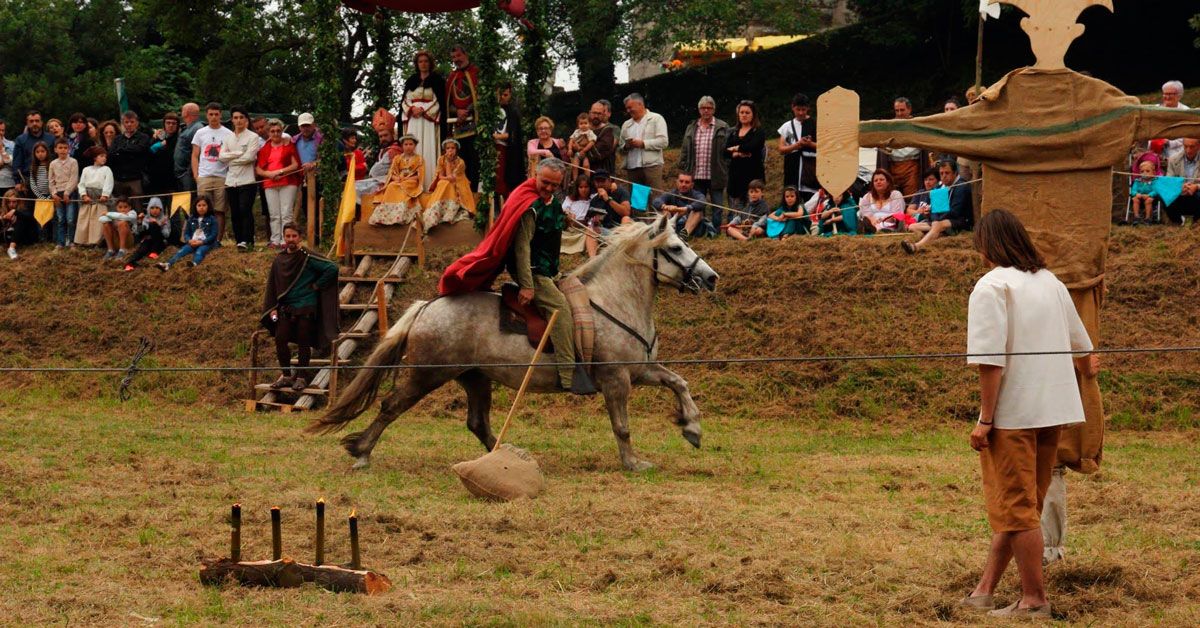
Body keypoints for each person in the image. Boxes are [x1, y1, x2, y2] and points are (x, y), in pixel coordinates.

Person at [962, 209, 1097, 619]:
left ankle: (1034, 601)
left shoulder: (991, 286)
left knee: (1018, 508)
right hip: (1051, 412)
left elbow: (990, 362)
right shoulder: (1051, 282)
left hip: (1015, 414)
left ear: (988, 244)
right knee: (1022, 506)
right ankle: (983, 591)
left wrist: (986, 418)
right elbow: (1083, 348)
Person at [438, 158, 595, 394]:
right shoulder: (529, 203)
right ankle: (567, 374)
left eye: (555, 185)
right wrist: (527, 285)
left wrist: (566, 221)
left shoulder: (551, 201)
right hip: (532, 271)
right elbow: (522, 248)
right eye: (546, 183)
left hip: (550, 268)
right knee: (560, 309)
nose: (550, 188)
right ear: (535, 175)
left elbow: (552, 222)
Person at [262, 222, 340, 392]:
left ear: (300, 237)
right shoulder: (279, 259)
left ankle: (302, 377)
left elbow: (332, 268)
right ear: (284, 237)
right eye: (288, 236)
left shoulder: (307, 257)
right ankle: (287, 376)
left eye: (294, 236)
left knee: (304, 341)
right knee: (280, 339)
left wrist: (317, 286)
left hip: (306, 307)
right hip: (286, 308)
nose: (291, 239)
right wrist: (273, 306)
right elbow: (274, 285)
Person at [679, 95, 731, 229]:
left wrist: (726, 166)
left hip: (716, 173)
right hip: (696, 175)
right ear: (699, 110)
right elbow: (685, 149)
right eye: (703, 108)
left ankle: (715, 232)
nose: (706, 111)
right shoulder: (691, 127)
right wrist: (684, 167)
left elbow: (729, 150)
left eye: (709, 108)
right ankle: (699, 230)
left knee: (717, 206)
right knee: (697, 206)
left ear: (713, 110)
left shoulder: (723, 126)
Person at [901, 160, 973, 253]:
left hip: (959, 221)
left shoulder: (962, 186)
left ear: (955, 173)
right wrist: (934, 219)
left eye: (947, 173)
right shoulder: (939, 187)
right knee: (912, 227)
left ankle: (916, 246)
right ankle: (934, 237)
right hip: (941, 220)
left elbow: (955, 211)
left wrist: (937, 222)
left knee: (938, 225)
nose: (944, 176)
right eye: (941, 173)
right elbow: (935, 209)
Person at [219, 106, 262, 250]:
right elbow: (221, 157)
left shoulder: (253, 136)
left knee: (245, 209)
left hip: (247, 180)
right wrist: (238, 153)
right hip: (231, 180)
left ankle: (248, 241)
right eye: (236, 118)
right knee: (235, 212)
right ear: (232, 119)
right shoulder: (228, 137)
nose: (238, 121)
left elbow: (249, 157)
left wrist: (231, 158)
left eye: (241, 117)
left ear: (246, 119)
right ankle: (239, 241)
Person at [403, 50, 446, 190]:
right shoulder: (411, 80)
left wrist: (425, 111)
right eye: (420, 61)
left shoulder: (437, 80)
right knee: (414, 146)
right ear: (416, 64)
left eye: (426, 61)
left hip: (428, 121)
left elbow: (439, 101)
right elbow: (405, 100)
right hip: (414, 120)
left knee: (428, 147)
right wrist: (412, 109)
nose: (423, 64)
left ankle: (429, 184)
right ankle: (412, 185)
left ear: (430, 63)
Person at [255, 119, 302, 247]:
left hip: (287, 181)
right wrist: (269, 174)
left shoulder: (288, 145)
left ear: (282, 131)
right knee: (274, 213)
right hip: (270, 183)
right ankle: (275, 239)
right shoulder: (264, 148)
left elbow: (295, 165)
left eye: (278, 131)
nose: (275, 133)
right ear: (269, 133)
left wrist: (280, 171)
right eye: (272, 131)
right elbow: (258, 169)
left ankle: (285, 239)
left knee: (286, 212)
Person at [192, 102, 234, 242]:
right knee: (202, 210)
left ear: (221, 115)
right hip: (204, 176)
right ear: (207, 115)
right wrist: (196, 175)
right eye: (211, 114)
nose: (214, 117)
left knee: (219, 210)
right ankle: (203, 239)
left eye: (216, 114)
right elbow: (195, 155)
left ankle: (217, 240)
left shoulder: (228, 133)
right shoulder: (200, 132)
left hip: (222, 176)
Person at [876, 98, 928, 197]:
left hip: (911, 166)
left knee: (911, 197)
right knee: (893, 197)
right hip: (893, 166)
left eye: (902, 110)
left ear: (909, 110)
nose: (899, 113)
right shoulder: (889, 126)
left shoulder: (917, 125)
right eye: (897, 110)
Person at [369, 135, 425, 226]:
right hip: (399, 180)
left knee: (403, 186)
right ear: (402, 146)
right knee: (391, 186)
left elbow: (420, 175)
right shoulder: (397, 158)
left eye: (411, 144)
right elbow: (392, 172)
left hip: (411, 181)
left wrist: (408, 179)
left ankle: (400, 215)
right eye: (406, 144)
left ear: (415, 146)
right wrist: (396, 178)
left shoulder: (419, 159)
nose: (408, 146)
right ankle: (384, 216)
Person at [446, 45, 481, 186]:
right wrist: (457, 111)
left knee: (475, 164)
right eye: (453, 57)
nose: (456, 60)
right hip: (458, 129)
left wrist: (468, 110)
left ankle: (474, 197)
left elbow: (483, 97)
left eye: (458, 56)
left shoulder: (477, 72)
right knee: (460, 164)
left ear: (466, 55)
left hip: (476, 127)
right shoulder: (451, 77)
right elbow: (446, 103)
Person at [619, 93, 668, 191]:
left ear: (640, 104)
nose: (628, 111)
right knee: (638, 203)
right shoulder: (626, 124)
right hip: (632, 168)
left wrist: (643, 144)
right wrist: (626, 146)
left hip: (652, 167)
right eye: (627, 108)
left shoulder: (656, 118)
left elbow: (663, 142)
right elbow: (620, 148)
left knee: (654, 200)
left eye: (630, 107)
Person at [724, 100, 766, 210]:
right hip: (736, 177)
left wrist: (736, 148)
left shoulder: (758, 131)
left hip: (753, 177)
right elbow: (725, 151)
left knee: (754, 211)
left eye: (747, 113)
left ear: (753, 115)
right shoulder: (733, 132)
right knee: (737, 211)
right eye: (741, 112)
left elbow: (753, 146)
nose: (744, 115)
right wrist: (736, 154)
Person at [423, 138, 475, 227]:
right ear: (445, 150)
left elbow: (452, 177)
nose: (450, 150)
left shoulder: (460, 162)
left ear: (456, 150)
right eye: (447, 148)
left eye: (452, 148)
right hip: (447, 180)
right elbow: (440, 176)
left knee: (447, 184)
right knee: (443, 183)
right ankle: (436, 212)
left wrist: (448, 162)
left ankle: (449, 214)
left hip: (459, 183)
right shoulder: (441, 159)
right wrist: (446, 163)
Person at [777, 93, 818, 201]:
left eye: (803, 110)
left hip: (810, 169)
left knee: (811, 202)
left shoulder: (815, 124)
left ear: (808, 108)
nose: (800, 113)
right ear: (793, 107)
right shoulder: (787, 126)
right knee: (791, 199)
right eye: (798, 109)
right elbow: (781, 149)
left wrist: (810, 144)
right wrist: (797, 145)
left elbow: (825, 147)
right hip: (792, 168)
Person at [158, 196, 219, 270]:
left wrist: (202, 242)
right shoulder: (191, 218)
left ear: (208, 206)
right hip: (193, 242)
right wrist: (189, 240)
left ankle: (194, 263)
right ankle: (168, 264)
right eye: (199, 205)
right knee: (181, 251)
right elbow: (186, 233)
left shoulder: (212, 219)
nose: (201, 207)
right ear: (195, 207)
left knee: (200, 251)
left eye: (204, 205)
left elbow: (214, 234)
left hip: (206, 243)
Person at [108, 111, 152, 208]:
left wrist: (121, 150)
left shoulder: (143, 137)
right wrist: (129, 150)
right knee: (120, 207)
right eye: (126, 122)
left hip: (135, 178)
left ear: (137, 123)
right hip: (119, 178)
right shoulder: (117, 139)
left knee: (138, 206)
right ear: (123, 123)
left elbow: (140, 149)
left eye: (132, 122)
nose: (129, 124)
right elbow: (111, 154)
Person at [651, 172, 707, 239]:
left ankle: (684, 235)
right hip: (674, 223)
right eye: (681, 181)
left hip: (692, 227)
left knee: (698, 212)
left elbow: (702, 201)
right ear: (677, 182)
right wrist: (665, 207)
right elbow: (656, 201)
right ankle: (664, 232)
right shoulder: (672, 193)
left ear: (692, 185)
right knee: (663, 210)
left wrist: (685, 208)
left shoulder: (696, 194)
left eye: (687, 182)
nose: (683, 184)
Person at [75, 146, 113, 246]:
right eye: (101, 156)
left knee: (98, 219)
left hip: (99, 196)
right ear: (95, 157)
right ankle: (84, 241)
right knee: (85, 219)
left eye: (105, 156)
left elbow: (109, 183)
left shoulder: (106, 169)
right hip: (88, 196)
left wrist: (105, 195)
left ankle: (97, 241)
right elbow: (81, 184)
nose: (104, 158)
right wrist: (83, 195)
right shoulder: (86, 169)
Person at [11, 111, 55, 192]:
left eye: (37, 121)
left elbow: (55, 160)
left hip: (48, 182)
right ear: (27, 123)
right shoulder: (21, 140)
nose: (34, 123)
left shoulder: (51, 139)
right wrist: (17, 182)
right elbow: (17, 162)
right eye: (31, 121)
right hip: (27, 182)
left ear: (41, 123)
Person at [124, 197, 171, 271]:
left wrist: (159, 225)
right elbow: (138, 232)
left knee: (154, 225)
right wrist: (139, 222)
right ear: (149, 209)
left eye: (157, 208)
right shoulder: (146, 218)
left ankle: (154, 251)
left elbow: (166, 234)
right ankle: (130, 263)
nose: (154, 210)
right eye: (152, 208)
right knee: (141, 250)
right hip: (149, 240)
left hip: (160, 241)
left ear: (161, 209)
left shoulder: (164, 218)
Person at [495, 84, 526, 197]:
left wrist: (496, 137)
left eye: (505, 95)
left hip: (507, 150)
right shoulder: (490, 111)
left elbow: (512, 134)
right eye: (500, 94)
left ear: (510, 95)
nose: (503, 97)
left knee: (505, 177)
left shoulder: (512, 112)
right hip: (492, 149)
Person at [49, 138, 79, 249]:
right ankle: (60, 242)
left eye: (65, 148)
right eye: (60, 148)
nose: (63, 150)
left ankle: (71, 241)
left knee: (70, 218)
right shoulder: (53, 164)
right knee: (60, 218)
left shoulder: (73, 162)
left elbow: (73, 178)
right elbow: (51, 180)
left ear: (69, 149)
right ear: (55, 149)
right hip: (58, 193)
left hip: (70, 193)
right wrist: (54, 193)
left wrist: (67, 192)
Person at [294, 112, 323, 227]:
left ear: (313, 125)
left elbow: (325, 159)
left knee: (318, 206)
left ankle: (319, 234)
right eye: (303, 126)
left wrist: (314, 164)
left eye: (308, 125)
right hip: (301, 178)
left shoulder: (321, 139)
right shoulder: (294, 140)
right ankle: (312, 233)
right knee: (305, 206)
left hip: (318, 177)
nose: (305, 128)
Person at [561, 175, 600, 257]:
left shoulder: (593, 198)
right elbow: (563, 212)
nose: (584, 190)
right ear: (577, 188)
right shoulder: (570, 199)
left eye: (586, 187)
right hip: (571, 229)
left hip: (584, 229)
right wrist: (568, 215)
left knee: (590, 233)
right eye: (581, 187)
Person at [1164, 138, 1200, 225]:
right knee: (1164, 194)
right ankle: (1177, 221)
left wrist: (1196, 186)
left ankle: (1197, 220)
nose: (1188, 150)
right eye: (1186, 146)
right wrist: (1180, 187)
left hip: (1197, 193)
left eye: (1192, 147)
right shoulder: (1173, 159)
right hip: (1180, 193)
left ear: (1199, 146)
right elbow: (1169, 180)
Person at [858, 169, 907, 233]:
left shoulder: (896, 194)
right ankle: (872, 230)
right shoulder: (867, 197)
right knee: (867, 224)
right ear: (873, 184)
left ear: (888, 182)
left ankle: (879, 230)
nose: (878, 182)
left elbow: (897, 214)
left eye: (881, 180)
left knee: (883, 228)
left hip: (891, 224)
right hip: (872, 224)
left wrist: (883, 220)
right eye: (875, 180)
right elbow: (866, 214)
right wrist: (873, 221)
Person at [146, 112, 180, 194]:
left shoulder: (180, 138)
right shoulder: (157, 137)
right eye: (168, 123)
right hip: (156, 178)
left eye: (173, 123)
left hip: (173, 179)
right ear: (164, 124)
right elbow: (148, 153)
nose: (171, 125)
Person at [585, 100, 619, 175]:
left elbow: (600, 151)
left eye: (599, 113)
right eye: (594, 113)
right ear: (589, 113)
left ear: (603, 115)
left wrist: (581, 153)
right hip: (583, 175)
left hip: (602, 173)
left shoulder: (608, 131)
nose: (596, 116)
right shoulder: (582, 129)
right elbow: (572, 146)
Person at [1159, 81, 1190, 162]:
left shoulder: (1186, 112)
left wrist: (1168, 142)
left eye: (1170, 94)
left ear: (1179, 96)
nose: (1167, 97)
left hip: (1177, 151)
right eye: (1165, 94)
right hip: (1155, 152)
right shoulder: (1156, 109)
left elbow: (1188, 135)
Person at [175, 103, 203, 191]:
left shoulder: (197, 128)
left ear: (186, 112)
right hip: (180, 173)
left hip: (188, 174)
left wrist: (189, 171)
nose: (181, 112)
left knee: (190, 200)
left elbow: (198, 152)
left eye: (182, 110)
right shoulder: (186, 128)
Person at [99, 196, 137, 260]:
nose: (122, 209)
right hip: (116, 240)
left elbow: (124, 217)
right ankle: (111, 250)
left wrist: (108, 213)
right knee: (106, 223)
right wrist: (110, 216)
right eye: (120, 207)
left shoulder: (132, 213)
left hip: (128, 241)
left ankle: (122, 250)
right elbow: (101, 219)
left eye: (125, 207)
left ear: (130, 207)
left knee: (122, 223)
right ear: (116, 208)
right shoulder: (114, 214)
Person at [1, 190, 35, 259]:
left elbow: (29, 217)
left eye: (14, 202)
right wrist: (3, 218)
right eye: (9, 202)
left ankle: (11, 249)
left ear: (18, 201)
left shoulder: (24, 209)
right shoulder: (3, 210)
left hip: (24, 238)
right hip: (8, 236)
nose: (11, 204)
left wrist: (15, 211)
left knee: (21, 220)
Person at [564, 112, 596, 183]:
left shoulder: (590, 132)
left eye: (585, 123)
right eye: (581, 123)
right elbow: (571, 140)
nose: (583, 125)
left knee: (586, 165)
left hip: (585, 153)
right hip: (577, 153)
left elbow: (592, 142)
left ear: (589, 124)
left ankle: (587, 180)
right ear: (578, 125)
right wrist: (569, 149)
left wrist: (584, 150)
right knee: (575, 166)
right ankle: (575, 180)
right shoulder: (576, 132)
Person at [1128, 160, 1160, 226]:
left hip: (1151, 198)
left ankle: (1148, 218)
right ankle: (1136, 217)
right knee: (1134, 199)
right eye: (1142, 171)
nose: (1144, 173)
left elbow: (1156, 191)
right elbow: (1133, 190)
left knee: (1149, 200)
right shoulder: (1137, 181)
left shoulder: (1154, 181)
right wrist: (1136, 194)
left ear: (1153, 173)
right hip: (1139, 197)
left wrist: (1149, 195)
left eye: (1147, 171)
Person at [0, 119, 14, 197]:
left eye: (3, 130)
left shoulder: (11, 144)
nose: (1, 133)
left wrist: (2, 150)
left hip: (9, 183)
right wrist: (4, 161)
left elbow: (14, 164)